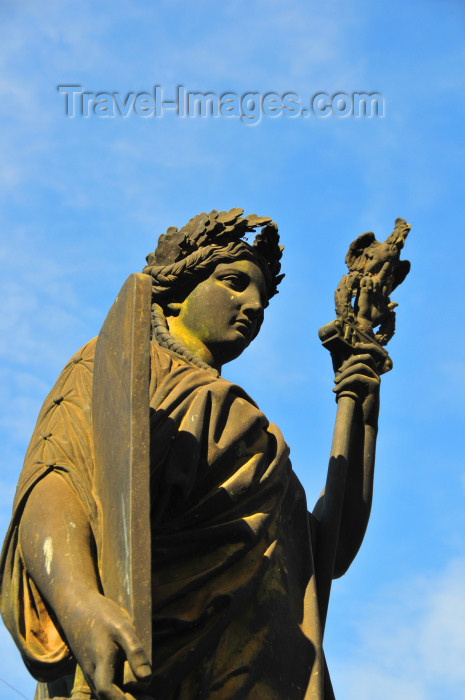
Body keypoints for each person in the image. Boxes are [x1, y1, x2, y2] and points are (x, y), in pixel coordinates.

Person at [0, 209, 382, 700]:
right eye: (234, 282)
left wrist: (362, 417)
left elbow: (327, 551)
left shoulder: (263, 443)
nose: (255, 304)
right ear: (179, 288)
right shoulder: (115, 362)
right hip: (146, 666)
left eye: (262, 296)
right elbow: (56, 487)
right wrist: (80, 603)